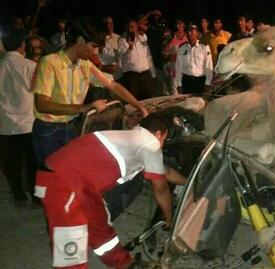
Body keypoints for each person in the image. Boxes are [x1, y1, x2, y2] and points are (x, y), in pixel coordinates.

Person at [34, 114, 186, 269]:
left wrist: (189, 182)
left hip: (80, 183)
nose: (161, 145)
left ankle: (123, 263)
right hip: (63, 182)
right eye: (163, 140)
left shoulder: (131, 138)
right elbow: (161, 189)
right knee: (70, 241)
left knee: (99, 223)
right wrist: (169, 218)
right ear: (159, 134)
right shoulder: (150, 143)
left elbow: (165, 172)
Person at [31, 18, 149, 167]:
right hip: (50, 129)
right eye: (93, 46)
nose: (95, 52)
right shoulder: (49, 63)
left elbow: (113, 86)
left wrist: (139, 106)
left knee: (71, 173)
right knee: (51, 179)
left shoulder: (85, 65)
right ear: (80, 41)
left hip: (72, 126)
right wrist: (84, 108)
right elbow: (42, 105)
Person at [0, 27, 37, 207]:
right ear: (23, 46)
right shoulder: (30, 66)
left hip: (5, 123)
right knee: (32, 161)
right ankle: (37, 196)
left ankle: (19, 195)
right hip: (28, 122)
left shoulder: (1, 66)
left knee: (12, 161)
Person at [117, 19, 156, 100]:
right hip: (132, 75)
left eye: (133, 26)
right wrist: (130, 47)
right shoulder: (122, 40)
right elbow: (121, 57)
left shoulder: (142, 38)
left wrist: (153, 74)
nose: (132, 29)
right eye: (130, 27)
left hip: (145, 74)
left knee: (148, 99)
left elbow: (148, 56)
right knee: (134, 99)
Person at [175, 24, 213, 94]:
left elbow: (208, 66)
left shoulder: (204, 47)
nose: (189, 33)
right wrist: (179, 84)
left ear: (197, 33)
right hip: (186, 81)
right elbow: (178, 67)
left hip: (200, 81)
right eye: (188, 32)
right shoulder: (182, 48)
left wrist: (208, 83)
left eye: (192, 31)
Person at [162, 19, 188, 95]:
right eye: (178, 25)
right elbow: (164, 53)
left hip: (186, 69)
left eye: (181, 25)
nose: (179, 26)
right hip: (174, 69)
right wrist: (172, 40)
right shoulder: (171, 38)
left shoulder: (188, 37)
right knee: (174, 92)